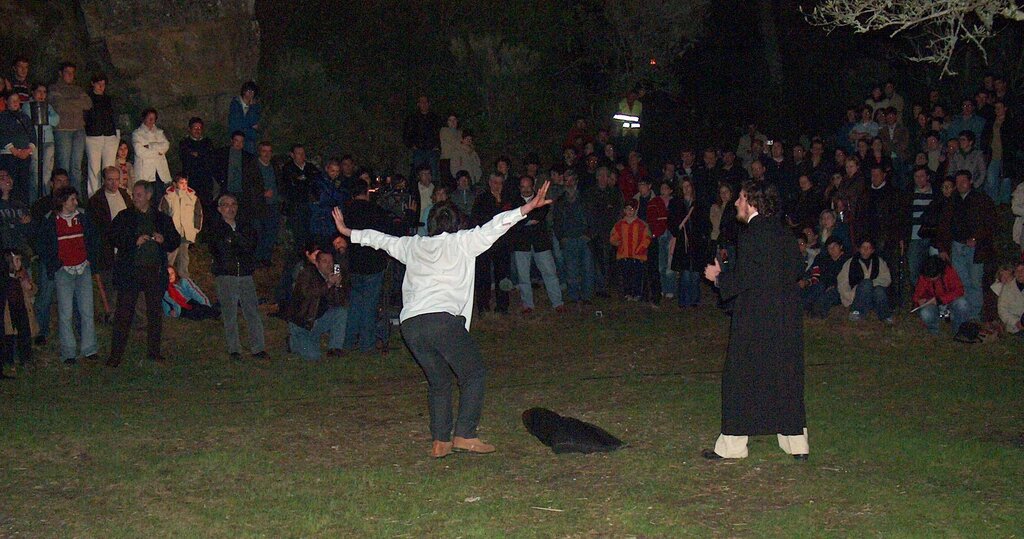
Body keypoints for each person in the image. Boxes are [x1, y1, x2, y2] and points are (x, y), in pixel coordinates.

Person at [330, 180, 555, 458]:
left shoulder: (413, 245)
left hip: (411, 326)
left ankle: (440, 441)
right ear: (457, 224)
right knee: (473, 374)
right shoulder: (463, 242)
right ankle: (465, 434)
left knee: (439, 380)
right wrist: (527, 208)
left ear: (431, 225)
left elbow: (379, 239)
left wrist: (348, 232)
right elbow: (497, 225)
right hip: (442, 322)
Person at [702, 180, 808, 461]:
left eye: (740, 197)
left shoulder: (752, 235)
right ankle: (797, 444)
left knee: (739, 377)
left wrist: (718, 277)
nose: (736, 202)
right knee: (784, 376)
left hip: (757, 318)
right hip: (785, 318)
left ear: (753, 202)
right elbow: (797, 269)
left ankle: (733, 446)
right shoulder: (785, 234)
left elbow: (747, 277)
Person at [107, 181, 181, 367]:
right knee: (124, 313)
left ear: (148, 196)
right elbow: (112, 237)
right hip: (131, 271)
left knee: (155, 313)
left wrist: (163, 240)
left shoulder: (161, 219)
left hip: (153, 271)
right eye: (134, 195)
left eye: (139, 195)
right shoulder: (125, 216)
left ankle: (154, 352)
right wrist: (134, 241)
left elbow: (174, 241)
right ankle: (115, 355)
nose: (135, 198)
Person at [37, 186, 99, 364]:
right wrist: (56, 264)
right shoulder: (52, 221)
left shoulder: (82, 218)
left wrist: (89, 259)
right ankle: (69, 351)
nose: (75, 202)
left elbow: (93, 239)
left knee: (87, 310)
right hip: (64, 272)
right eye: (72, 199)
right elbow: (43, 245)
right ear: (63, 202)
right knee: (65, 313)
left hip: (82, 268)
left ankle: (89, 348)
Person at [208, 193, 267, 360]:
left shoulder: (244, 226)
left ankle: (258, 348)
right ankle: (234, 349)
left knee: (252, 311)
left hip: (245, 274)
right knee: (230, 313)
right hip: (227, 275)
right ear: (220, 209)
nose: (230, 208)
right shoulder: (216, 228)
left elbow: (250, 245)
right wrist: (236, 243)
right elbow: (220, 249)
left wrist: (234, 241)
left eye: (233, 204)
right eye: (226, 205)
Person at [936, 170, 996, 322]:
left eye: (964, 181)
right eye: (958, 181)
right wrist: (942, 247)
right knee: (961, 282)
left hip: (975, 249)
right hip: (957, 246)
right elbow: (944, 225)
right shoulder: (952, 201)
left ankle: (974, 315)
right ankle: (962, 312)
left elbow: (989, 223)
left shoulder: (982, 200)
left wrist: (977, 238)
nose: (961, 184)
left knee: (975, 282)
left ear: (970, 182)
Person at [342, 180, 390, 353]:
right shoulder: (376, 210)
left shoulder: (347, 211)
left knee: (355, 305)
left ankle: (348, 341)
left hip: (355, 265)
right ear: (367, 193)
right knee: (369, 306)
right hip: (373, 265)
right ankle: (367, 344)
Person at [511, 176, 564, 314]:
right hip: (521, 244)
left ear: (533, 185)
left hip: (541, 242)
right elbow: (513, 220)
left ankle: (557, 302)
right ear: (519, 188)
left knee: (550, 273)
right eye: (523, 187)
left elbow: (539, 215)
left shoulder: (541, 199)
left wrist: (523, 220)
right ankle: (527, 305)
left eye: (528, 186)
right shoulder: (514, 201)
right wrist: (525, 220)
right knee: (523, 276)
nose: (526, 189)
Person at [287, 248, 349, 360]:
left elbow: (339, 303)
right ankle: (293, 342)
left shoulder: (330, 277)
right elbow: (307, 293)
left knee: (340, 312)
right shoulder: (307, 273)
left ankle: (334, 348)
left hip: (317, 322)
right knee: (314, 357)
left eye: (330, 262)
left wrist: (338, 287)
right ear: (317, 263)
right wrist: (328, 285)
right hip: (303, 324)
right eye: (324, 261)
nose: (328, 265)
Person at [472, 172, 514, 314]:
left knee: (503, 275)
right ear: (489, 183)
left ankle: (502, 306)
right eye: (495, 182)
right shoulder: (482, 199)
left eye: (500, 183)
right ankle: (483, 305)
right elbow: (480, 220)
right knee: (483, 275)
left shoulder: (507, 198)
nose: (497, 186)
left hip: (503, 243)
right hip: (486, 243)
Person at [553, 169, 594, 305]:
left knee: (587, 268)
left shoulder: (585, 198)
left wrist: (589, 235)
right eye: (566, 180)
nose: (568, 183)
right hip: (568, 239)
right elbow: (556, 221)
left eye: (571, 180)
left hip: (584, 238)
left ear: (576, 181)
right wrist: (561, 237)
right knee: (571, 270)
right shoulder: (560, 201)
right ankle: (573, 296)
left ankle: (587, 296)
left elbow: (593, 217)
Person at [48, 62, 90, 192]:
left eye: (72, 73)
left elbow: (88, 104)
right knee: (63, 167)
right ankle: (62, 196)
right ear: (61, 73)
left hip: (78, 130)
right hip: (62, 130)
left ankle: (76, 197)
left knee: (76, 167)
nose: (70, 75)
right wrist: (76, 102)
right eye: (67, 72)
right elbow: (59, 106)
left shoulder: (78, 89)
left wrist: (68, 101)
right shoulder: (54, 88)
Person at [158, 174, 204, 279]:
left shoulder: (193, 198)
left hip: (186, 233)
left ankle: (184, 280)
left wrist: (195, 229)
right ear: (175, 184)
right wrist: (165, 231)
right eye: (181, 183)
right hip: (172, 233)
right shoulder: (168, 197)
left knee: (184, 258)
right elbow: (162, 214)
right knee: (170, 256)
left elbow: (198, 214)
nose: (184, 185)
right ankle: (166, 279)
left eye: (185, 183)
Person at [839, 238, 893, 323]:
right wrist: (849, 295)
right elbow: (842, 281)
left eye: (868, 248)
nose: (865, 250)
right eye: (863, 247)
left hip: (874, 295)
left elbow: (886, 278)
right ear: (859, 249)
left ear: (872, 250)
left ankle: (885, 316)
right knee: (866, 284)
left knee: (878, 290)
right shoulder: (851, 262)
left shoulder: (879, 261)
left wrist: (872, 284)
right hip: (856, 296)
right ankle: (856, 311)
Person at [912, 256, 969, 335]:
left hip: (949, 302)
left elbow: (959, 290)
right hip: (933, 305)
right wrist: (919, 300)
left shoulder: (949, 271)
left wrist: (940, 300)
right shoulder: (924, 276)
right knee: (925, 313)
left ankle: (959, 330)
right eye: (929, 278)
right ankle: (934, 332)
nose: (931, 280)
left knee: (962, 303)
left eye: (934, 278)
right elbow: (917, 295)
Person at [1, 249, 35, 378]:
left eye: (20, 260)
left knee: (24, 333)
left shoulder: (22, 274)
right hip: (9, 311)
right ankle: (9, 360)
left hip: (22, 308)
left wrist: (29, 287)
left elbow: (32, 289)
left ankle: (25, 359)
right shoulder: (5, 277)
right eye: (16, 260)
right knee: (9, 337)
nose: (19, 263)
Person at [22, 83, 59, 203]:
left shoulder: (48, 106)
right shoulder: (27, 106)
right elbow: (32, 120)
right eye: (39, 91)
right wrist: (45, 118)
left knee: (47, 173)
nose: (42, 95)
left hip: (48, 141)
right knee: (35, 173)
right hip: (34, 142)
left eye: (44, 92)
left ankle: (46, 201)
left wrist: (44, 117)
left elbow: (56, 120)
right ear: (33, 92)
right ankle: (34, 202)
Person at [83, 73, 118, 197]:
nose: (101, 87)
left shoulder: (108, 99)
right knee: (94, 169)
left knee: (109, 168)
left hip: (109, 136)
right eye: (99, 84)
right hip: (93, 136)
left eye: (103, 84)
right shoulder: (87, 98)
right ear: (93, 83)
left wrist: (115, 135)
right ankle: (94, 197)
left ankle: (109, 196)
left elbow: (114, 117)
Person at [609, 199, 650, 301]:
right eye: (627, 209)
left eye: (632, 209)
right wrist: (617, 243)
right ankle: (628, 293)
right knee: (626, 275)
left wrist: (641, 248)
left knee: (637, 276)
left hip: (638, 256)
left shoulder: (641, 224)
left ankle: (637, 293)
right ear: (624, 210)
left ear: (635, 210)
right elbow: (613, 237)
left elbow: (647, 238)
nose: (630, 211)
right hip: (624, 255)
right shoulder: (619, 224)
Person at [0, 90, 34, 203]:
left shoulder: (25, 117)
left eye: (17, 100)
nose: (16, 103)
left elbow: (32, 134)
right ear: (6, 102)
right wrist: (14, 150)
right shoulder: (3, 117)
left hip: (25, 155)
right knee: (12, 182)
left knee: (24, 182)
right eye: (12, 101)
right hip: (9, 155)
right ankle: (11, 207)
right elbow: (2, 134)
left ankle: (24, 208)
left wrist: (29, 149)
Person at [178, 117, 217, 208]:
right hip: (191, 180)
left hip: (206, 180)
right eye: (195, 128)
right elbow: (186, 159)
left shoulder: (207, 142)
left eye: (199, 128)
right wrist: (201, 155)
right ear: (189, 129)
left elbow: (211, 158)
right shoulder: (185, 143)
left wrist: (198, 155)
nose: (197, 130)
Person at [403, 95, 442, 180]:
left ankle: (434, 192)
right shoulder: (412, 118)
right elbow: (406, 133)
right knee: (419, 174)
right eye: (421, 102)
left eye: (425, 102)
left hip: (432, 150)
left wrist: (437, 146)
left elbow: (439, 133)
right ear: (418, 104)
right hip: (418, 150)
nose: (424, 104)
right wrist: (412, 145)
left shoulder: (435, 118)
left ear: (429, 104)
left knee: (433, 173)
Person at [131, 108, 172, 188]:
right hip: (145, 172)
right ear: (144, 118)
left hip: (159, 172)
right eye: (149, 118)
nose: (151, 120)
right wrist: (158, 152)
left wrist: (150, 146)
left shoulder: (159, 132)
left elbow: (166, 145)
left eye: (153, 118)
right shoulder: (137, 133)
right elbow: (139, 151)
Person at [228, 81, 261, 154]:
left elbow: (254, 123)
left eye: (252, 91)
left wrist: (252, 107)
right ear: (244, 91)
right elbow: (236, 124)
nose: (250, 93)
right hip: (237, 138)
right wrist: (250, 128)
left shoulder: (255, 106)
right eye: (248, 91)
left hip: (249, 141)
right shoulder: (235, 104)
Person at [997, 261, 1024, 335]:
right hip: (1016, 325)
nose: (1020, 273)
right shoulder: (1007, 288)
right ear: (1015, 273)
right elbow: (1002, 310)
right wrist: (1016, 322)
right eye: (1017, 271)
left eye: (1022, 270)